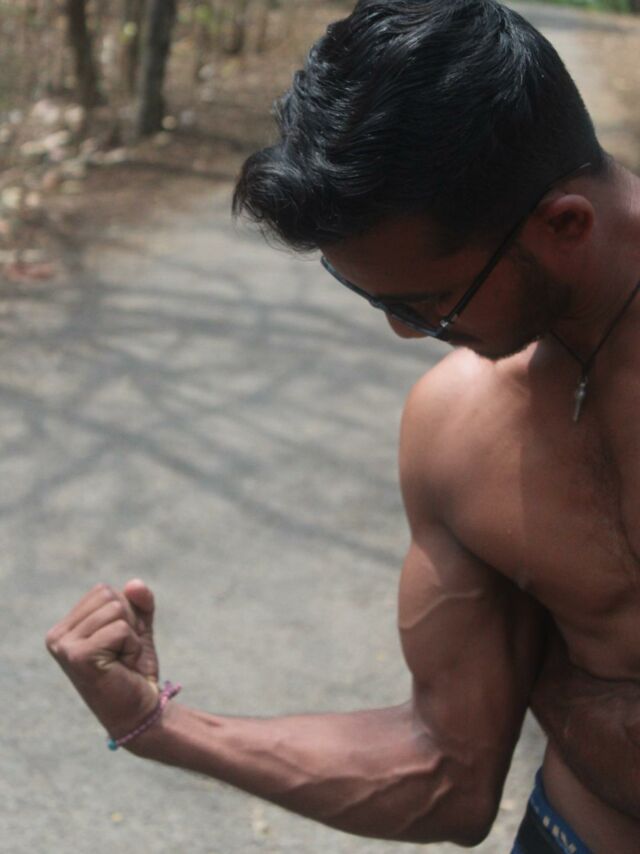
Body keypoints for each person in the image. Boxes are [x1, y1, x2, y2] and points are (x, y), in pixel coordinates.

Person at [46, 1, 640, 850]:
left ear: (566, 225)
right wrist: (162, 726)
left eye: (431, 302)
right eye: (372, 297)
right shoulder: (458, 424)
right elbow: (448, 774)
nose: (404, 332)